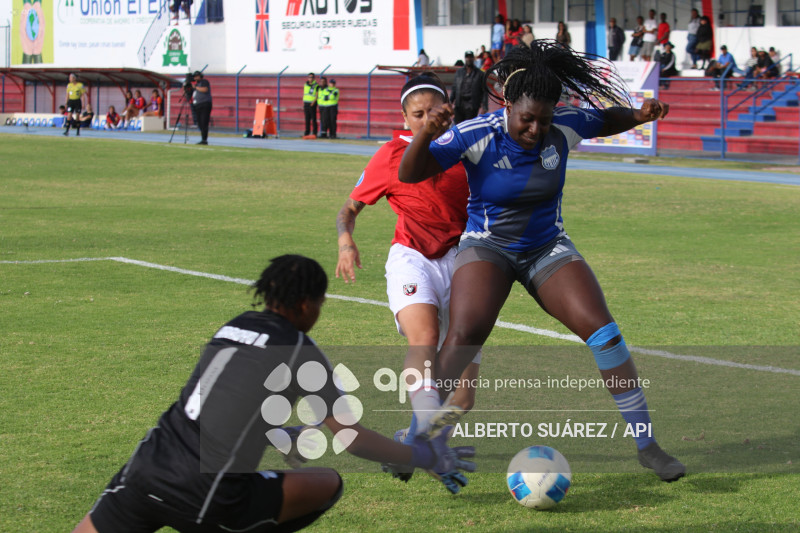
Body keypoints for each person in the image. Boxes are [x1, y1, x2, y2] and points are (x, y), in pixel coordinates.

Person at [397, 41, 686, 484]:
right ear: (509, 105)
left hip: (546, 247)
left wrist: (640, 114)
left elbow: (606, 118)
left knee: (606, 334)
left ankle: (647, 445)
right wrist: (424, 134)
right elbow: (409, 174)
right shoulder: (476, 132)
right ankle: (420, 435)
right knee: (465, 334)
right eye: (527, 118)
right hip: (488, 247)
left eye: (544, 120)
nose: (535, 129)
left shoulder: (562, 126)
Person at [71, 255, 473, 533]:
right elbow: (352, 440)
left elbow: (219, 403)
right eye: (320, 302)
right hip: (207, 492)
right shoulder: (301, 352)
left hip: (147, 466)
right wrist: (424, 455)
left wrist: (282, 435)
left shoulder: (232, 326)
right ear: (304, 304)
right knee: (328, 483)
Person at [335, 76, 479, 493]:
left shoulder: (466, 149)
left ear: (447, 111)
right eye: (417, 114)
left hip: (465, 261)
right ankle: (429, 444)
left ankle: (414, 443)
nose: (425, 120)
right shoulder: (392, 154)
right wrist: (346, 242)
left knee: (465, 397)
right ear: (405, 117)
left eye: (433, 112)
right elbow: (349, 208)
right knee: (425, 340)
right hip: (412, 257)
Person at [450, 51, 488, 124]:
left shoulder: (480, 74)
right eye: (467, 57)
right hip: (459, 104)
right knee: (458, 126)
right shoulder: (459, 72)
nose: (469, 59)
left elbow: (484, 91)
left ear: (473, 58)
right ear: (465, 58)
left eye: (470, 57)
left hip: (472, 105)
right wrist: (450, 101)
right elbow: (454, 88)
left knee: (469, 126)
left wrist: (485, 106)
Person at [191, 71, 212, 145]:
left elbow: (205, 89)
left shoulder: (204, 82)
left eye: (197, 76)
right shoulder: (196, 84)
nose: (195, 78)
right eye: (194, 76)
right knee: (200, 123)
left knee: (204, 122)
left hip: (205, 104)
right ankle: (203, 138)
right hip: (198, 105)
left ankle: (204, 139)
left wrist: (195, 87)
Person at [303, 73, 319, 138]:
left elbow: (317, 95)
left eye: (312, 77)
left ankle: (314, 132)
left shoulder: (316, 85)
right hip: (306, 103)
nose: (310, 78)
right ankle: (307, 132)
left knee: (313, 119)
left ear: (314, 78)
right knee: (307, 119)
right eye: (309, 77)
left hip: (312, 103)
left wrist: (313, 102)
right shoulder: (305, 85)